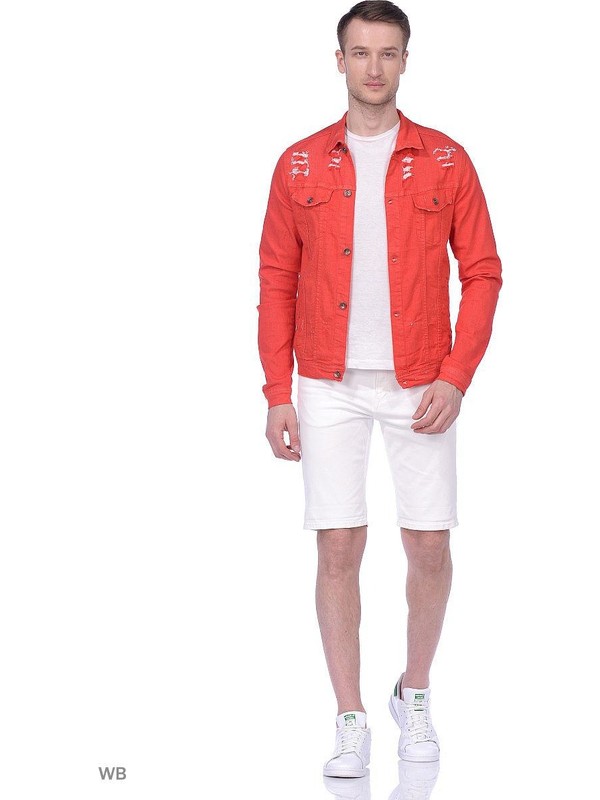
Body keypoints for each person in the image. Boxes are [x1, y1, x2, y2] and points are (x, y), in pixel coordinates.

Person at [256, 0, 502, 779]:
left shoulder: (447, 161)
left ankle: (414, 694)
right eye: (359, 53)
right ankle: (349, 717)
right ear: (339, 61)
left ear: (405, 61)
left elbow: (484, 273)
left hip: (422, 377)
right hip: (325, 380)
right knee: (338, 543)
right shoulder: (298, 164)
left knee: (429, 544)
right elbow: (276, 278)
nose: (373, 67)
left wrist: (456, 377)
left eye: (387, 53)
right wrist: (277, 390)